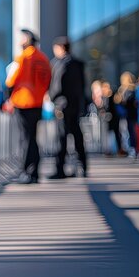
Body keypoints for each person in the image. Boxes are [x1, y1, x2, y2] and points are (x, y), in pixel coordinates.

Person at [5, 29, 52, 184]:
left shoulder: (24, 57)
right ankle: (34, 171)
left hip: (23, 102)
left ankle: (27, 172)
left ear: (27, 39)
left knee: (25, 139)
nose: (19, 40)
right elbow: (47, 81)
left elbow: (11, 81)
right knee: (32, 137)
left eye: (22, 37)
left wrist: (9, 98)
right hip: (37, 103)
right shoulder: (43, 58)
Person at [47, 36, 87, 178]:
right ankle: (82, 166)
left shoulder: (59, 64)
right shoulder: (78, 64)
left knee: (61, 137)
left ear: (60, 48)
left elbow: (56, 85)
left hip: (62, 105)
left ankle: (60, 170)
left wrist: (52, 99)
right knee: (76, 135)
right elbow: (82, 87)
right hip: (75, 104)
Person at [114, 72, 137, 154]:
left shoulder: (129, 89)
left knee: (129, 132)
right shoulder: (124, 89)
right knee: (126, 132)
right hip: (126, 114)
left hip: (128, 114)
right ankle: (129, 148)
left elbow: (122, 101)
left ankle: (131, 148)